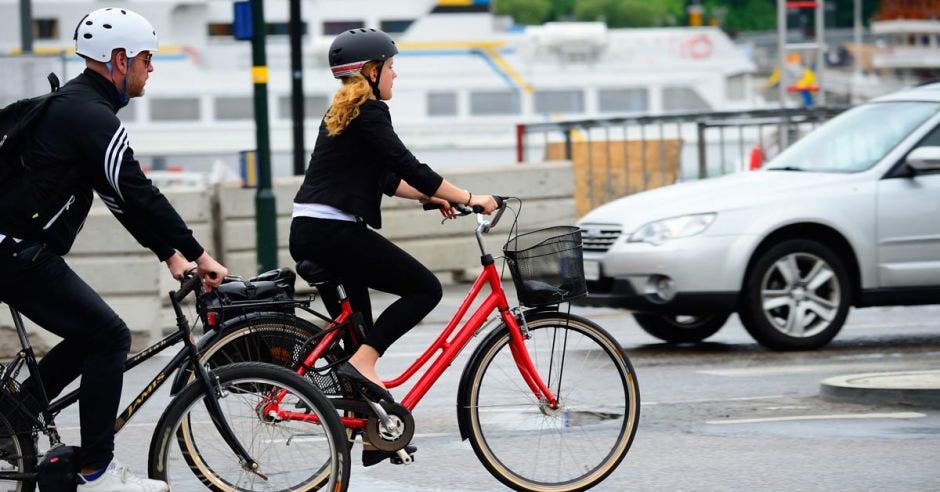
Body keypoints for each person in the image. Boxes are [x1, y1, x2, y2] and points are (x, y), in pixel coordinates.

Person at [0, 8, 227, 491]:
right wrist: (201, 255)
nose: (151, 68)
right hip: (14, 251)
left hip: (12, 247)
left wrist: (169, 254)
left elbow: (117, 197)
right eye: (147, 58)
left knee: (90, 335)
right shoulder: (89, 115)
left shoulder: (76, 107)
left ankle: (12, 415)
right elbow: (137, 190)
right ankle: (95, 472)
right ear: (120, 60)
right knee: (108, 336)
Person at [289, 28, 499, 466]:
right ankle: (365, 366)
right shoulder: (368, 112)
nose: (395, 75)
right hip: (332, 233)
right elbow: (408, 164)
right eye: (390, 66)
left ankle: (370, 433)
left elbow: (387, 177)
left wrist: (431, 196)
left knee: (357, 337)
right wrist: (468, 196)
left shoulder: (345, 113)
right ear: (371, 71)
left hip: (316, 230)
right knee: (425, 289)